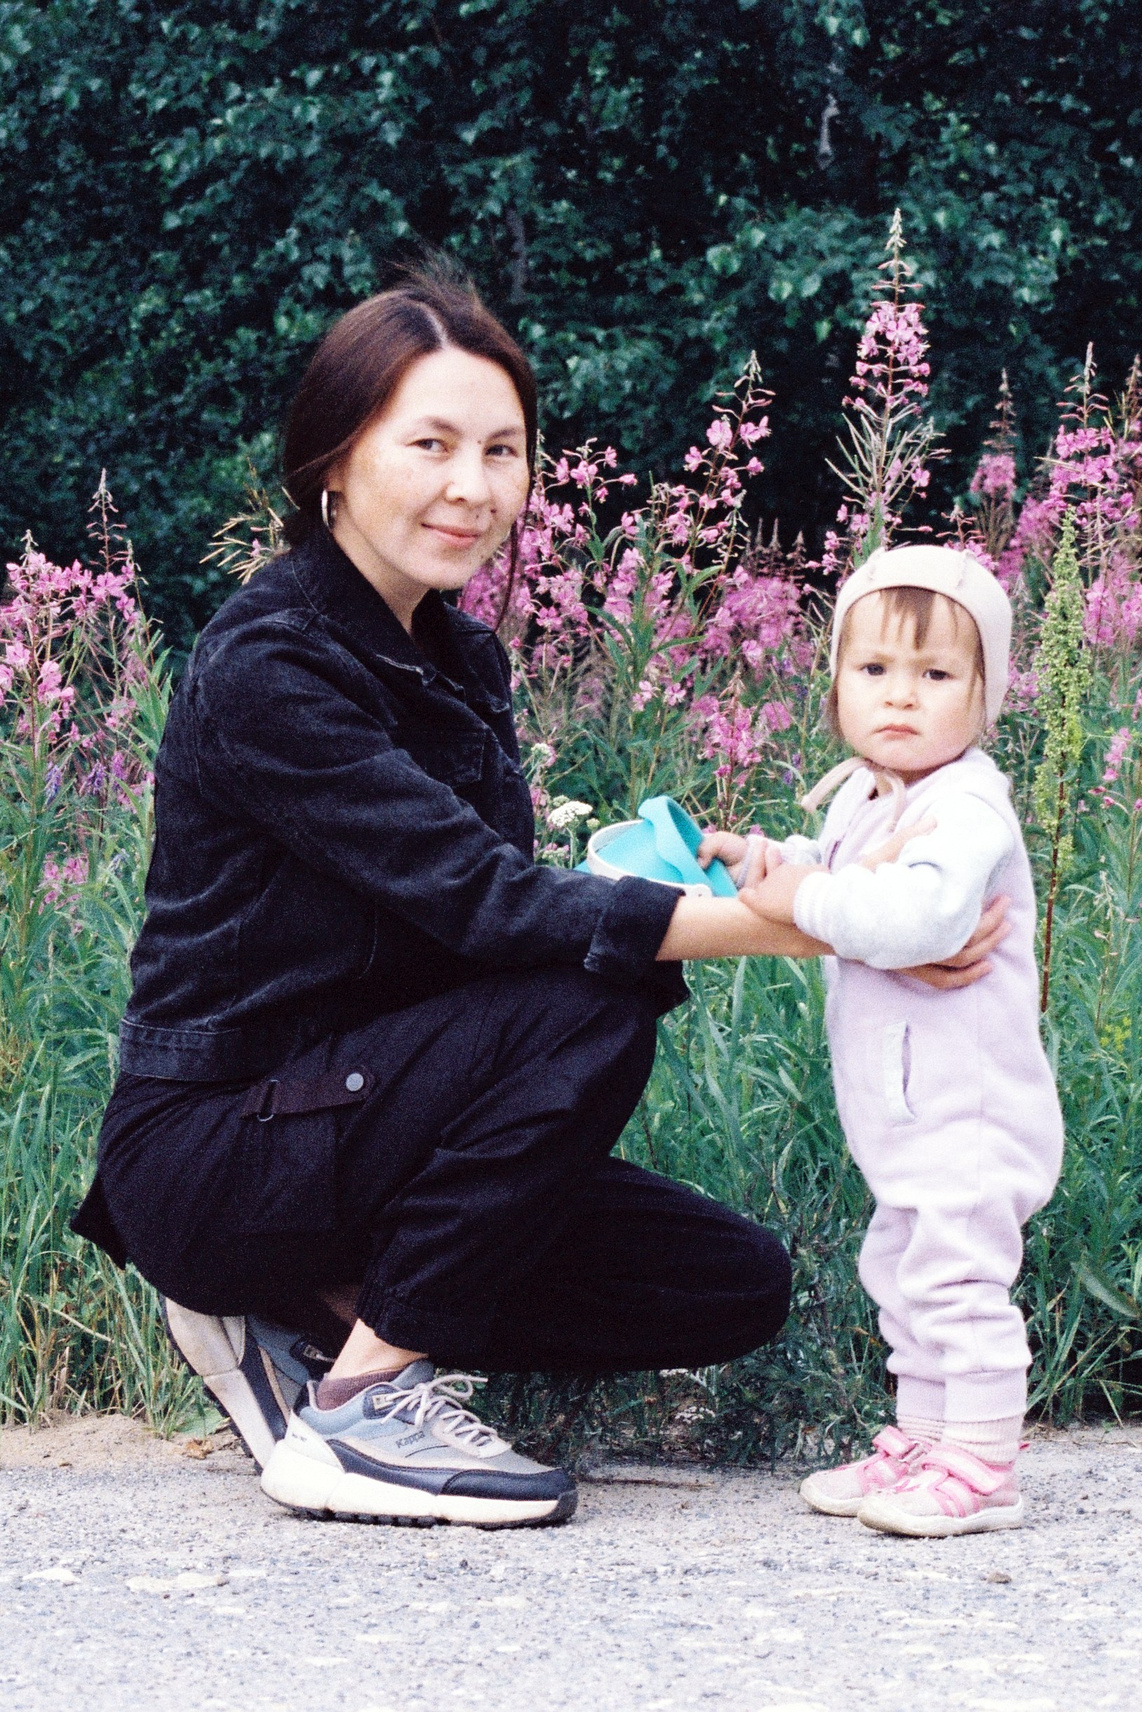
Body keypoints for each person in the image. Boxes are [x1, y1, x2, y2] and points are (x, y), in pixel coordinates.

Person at [71, 276, 1003, 1531]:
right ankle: (361, 1405)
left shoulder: (459, 655)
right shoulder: (268, 664)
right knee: (590, 994)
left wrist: (829, 895)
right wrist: (860, 918)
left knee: (725, 1283)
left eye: (501, 450)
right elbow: (493, 903)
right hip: (218, 1144)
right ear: (335, 458)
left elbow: (487, 924)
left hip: (354, 1125)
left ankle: (300, 1304)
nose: (474, 486)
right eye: (431, 444)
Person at [704, 546, 1064, 1538]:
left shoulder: (964, 804)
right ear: (833, 686)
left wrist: (805, 897)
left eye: (935, 674)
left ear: (985, 698)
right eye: (872, 671)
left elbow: (918, 917)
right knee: (903, 1271)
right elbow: (830, 872)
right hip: (905, 1106)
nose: (899, 697)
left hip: (969, 1104)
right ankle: (923, 1439)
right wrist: (767, 861)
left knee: (955, 1280)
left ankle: (982, 1463)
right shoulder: (871, 793)